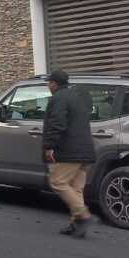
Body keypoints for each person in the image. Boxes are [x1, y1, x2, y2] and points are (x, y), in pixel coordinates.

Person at [40, 70, 95, 238]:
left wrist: (49, 146)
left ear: (54, 84)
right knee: (76, 188)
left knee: (57, 181)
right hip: (85, 149)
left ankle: (83, 215)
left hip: (69, 150)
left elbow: (57, 123)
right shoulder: (76, 97)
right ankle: (76, 224)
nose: (48, 86)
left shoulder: (58, 98)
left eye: (49, 83)